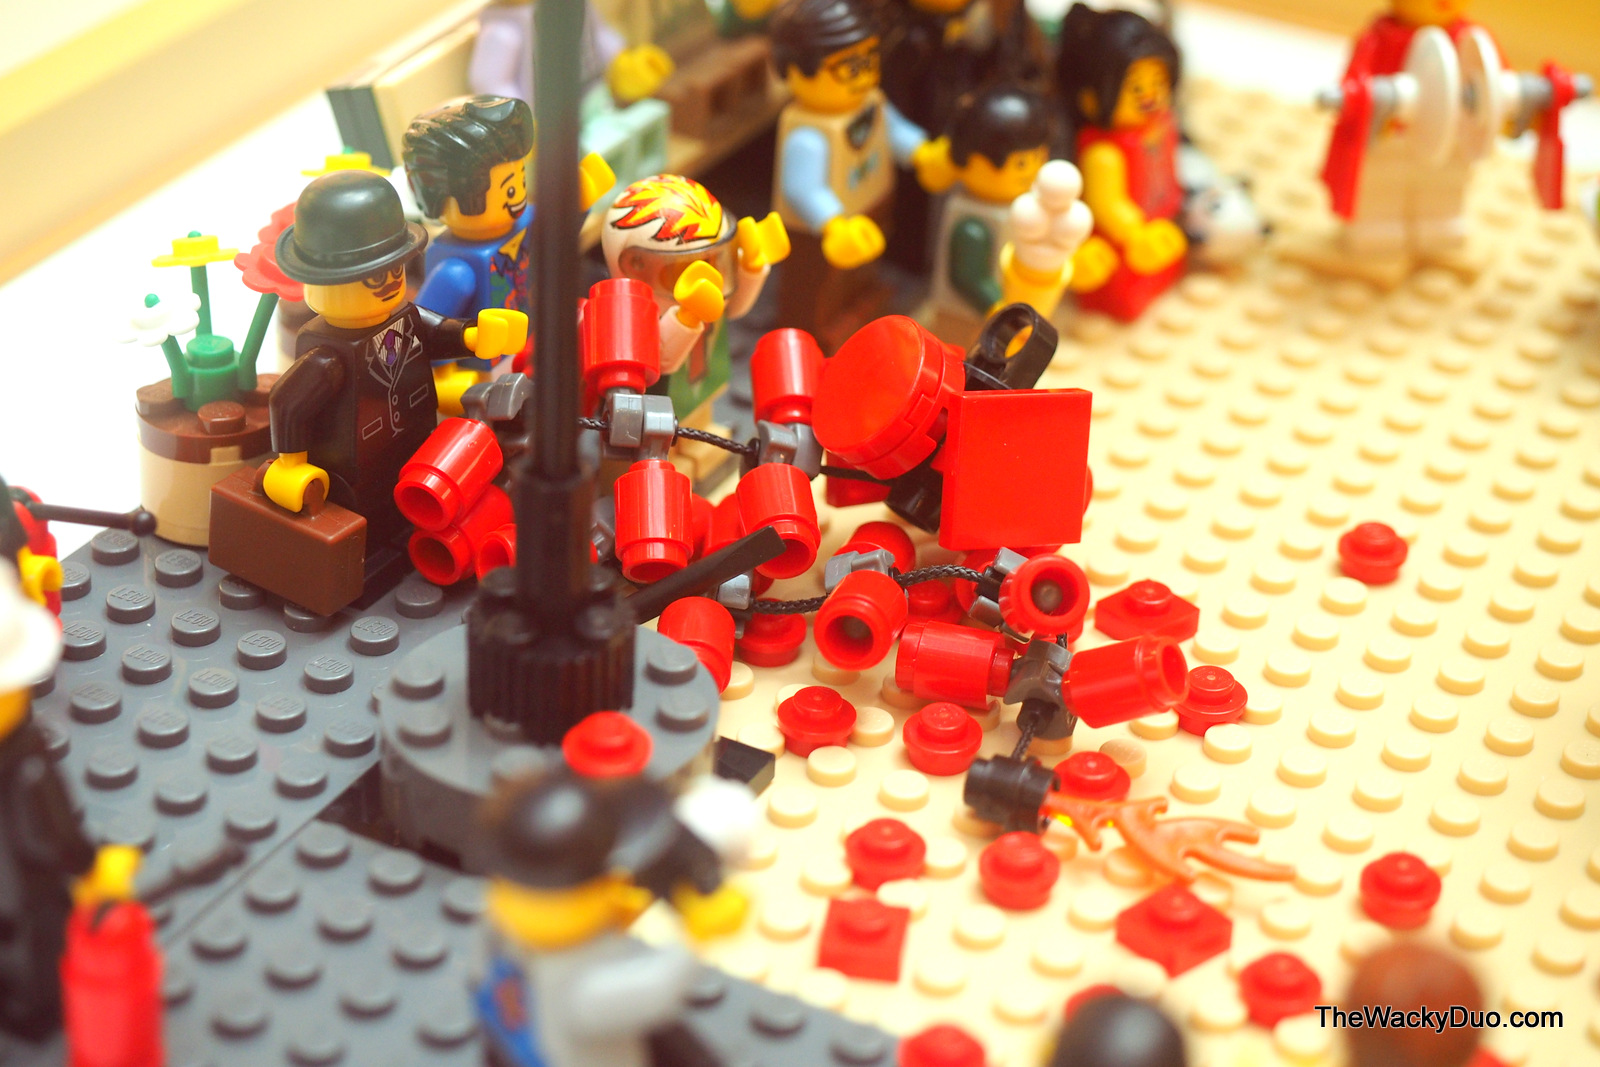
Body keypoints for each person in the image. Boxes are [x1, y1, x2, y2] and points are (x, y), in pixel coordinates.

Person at [263, 171, 527, 550]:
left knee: (413, 500)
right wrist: (290, 463)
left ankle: (410, 537)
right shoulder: (327, 354)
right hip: (355, 465)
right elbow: (287, 402)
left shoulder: (406, 316)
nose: (389, 282)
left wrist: (473, 336)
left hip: (419, 442)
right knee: (370, 515)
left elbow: (436, 332)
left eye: (395, 268)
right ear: (319, 283)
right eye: (374, 277)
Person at [0, 566, 140, 1040]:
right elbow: (52, 830)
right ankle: (37, 1010)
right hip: (25, 893)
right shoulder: (24, 761)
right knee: (39, 939)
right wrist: (91, 868)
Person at [769, 0, 936, 349]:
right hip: (823, 231)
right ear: (796, 70)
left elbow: (894, 131)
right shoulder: (808, 135)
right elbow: (801, 189)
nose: (864, 75)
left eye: (869, 61)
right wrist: (833, 223)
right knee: (820, 284)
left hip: (871, 204)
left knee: (865, 267)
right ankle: (817, 332)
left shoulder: (871, 103)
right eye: (849, 68)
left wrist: (923, 151)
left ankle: (861, 302)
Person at [600, 173, 788, 425]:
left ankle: (702, 433)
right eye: (681, 270)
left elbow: (734, 309)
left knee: (699, 414)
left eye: (714, 261)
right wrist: (686, 316)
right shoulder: (626, 320)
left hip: (701, 383)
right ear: (635, 265)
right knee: (664, 424)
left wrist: (751, 269)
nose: (708, 278)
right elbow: (661, 360)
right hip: (655, 416)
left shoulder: (709, 295)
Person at [918, 84, 1088, 344]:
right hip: (968, 319)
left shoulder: (1032, 207)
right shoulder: (972, 224)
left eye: (1039, 157)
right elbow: (967, 278)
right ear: (969, 159)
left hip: (1011, 321)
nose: (1031, 170)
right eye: (1021, 163)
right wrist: (999, 307)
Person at [1055, 3, 1187, 322]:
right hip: (1126, 246)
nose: (1149, 97)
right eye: (1136, 88)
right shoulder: (1103, 153)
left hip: (1160, 223)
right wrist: (1135, 233)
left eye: (1158, 83)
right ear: (1091, 99)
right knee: (1128, 290)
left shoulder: (1159, 128)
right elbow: (1107, 204)